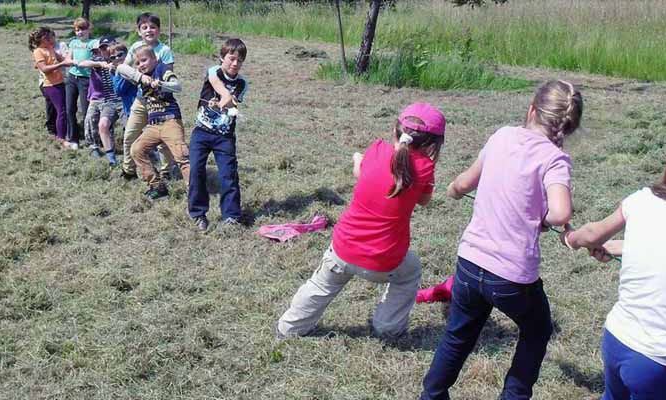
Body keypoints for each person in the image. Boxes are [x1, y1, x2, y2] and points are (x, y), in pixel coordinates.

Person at [420, 80, 583, 400]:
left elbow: (464, 182)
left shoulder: (502, 136)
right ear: (568, 127)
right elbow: (561, 212)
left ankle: (432, 394)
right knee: (538, 330)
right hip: (511, 277)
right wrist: (543, 216)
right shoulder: (554, 159)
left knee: (458, 334)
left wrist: (454, 189)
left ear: (532, 110)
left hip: (470, 263)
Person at [276, 102, 446, 339]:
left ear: (394, 129)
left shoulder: (376, 149)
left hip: (343, 247)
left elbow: (361, 173)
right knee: (411, 271)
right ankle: (387, 328)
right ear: (433, 143)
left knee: (321, 286)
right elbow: (424, 201)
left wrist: (358, 159)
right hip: (385, 259)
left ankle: (288, 328)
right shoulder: (425, 167)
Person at [561, 132, 666, 400]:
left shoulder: (644, 199)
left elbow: (592, 234)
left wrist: (571, 238)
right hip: (658, 359)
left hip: (616, 338)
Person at [187, 38, 249, 230]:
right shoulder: (214, 71)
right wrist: (225, 95)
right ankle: (198, 214)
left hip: (225, 137)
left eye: (239, 60)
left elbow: (233, 103)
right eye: (231, 58)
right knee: (196, 170)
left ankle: (231, 216)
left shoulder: (242, 83)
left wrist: (228, 102)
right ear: (222, 57)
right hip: (201, 132)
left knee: (228, 175)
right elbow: (216, 83)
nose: (235, 63)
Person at [128, 46, 190, 200]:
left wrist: (161, 84)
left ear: (155, 59)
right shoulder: (141, 77)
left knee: (181, 156)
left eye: (144, 60)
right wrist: (142, 77)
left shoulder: (162, 69)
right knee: (136, 150)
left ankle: (194, 190)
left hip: (170, 120)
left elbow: (178, 87)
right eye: (137, 63)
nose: (141, 65)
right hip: (153, 125)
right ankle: (157, 186)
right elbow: (122, 69)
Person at [120, 12, 175, 181]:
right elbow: (123, 68)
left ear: (159, 30)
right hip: (140, 99)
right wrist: (139, 77)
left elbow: (169, 75)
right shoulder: (135, 47)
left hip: (160, 103)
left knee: (162, 140)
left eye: (153, 27)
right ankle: (129, 170)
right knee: (130, 135)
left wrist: (157, 82)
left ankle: (166, 171)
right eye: (144, 27)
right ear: (139, 31)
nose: (149, 30)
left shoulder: (164, 50)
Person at [80, 38, 124, 167]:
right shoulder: (99, 60)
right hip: (101, 99)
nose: (105, 50)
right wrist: (100, 64)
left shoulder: (120, 60)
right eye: (102, 48)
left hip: (119, 99)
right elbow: (82, 63)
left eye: (107, 47)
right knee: (94, 122)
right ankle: (98, 150)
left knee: (116, 126)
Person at [29, 26, 73, 146]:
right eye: (47, 37)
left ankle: (62, 133)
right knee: (61, 111)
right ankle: (61, 138)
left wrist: (71, 58)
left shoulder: (50, 48)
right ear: (41, 39)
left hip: (59, 83)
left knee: (62, 110)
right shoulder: (38, 51)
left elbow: (64, 60)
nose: (50, 39)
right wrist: (61, 64)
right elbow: (44, 69)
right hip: (50, 85)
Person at [63, 17, 94, 150]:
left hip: (86, 79)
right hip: (72, 78)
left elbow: (97, 59)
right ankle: (73, 138)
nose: (80, 32)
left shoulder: (93, 43)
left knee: (86, 110)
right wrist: (74, 62)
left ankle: (90, 138)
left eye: (82, 29)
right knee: (70, 108)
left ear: (89, 29)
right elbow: (67, 59)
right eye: (77, 30)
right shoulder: (73, 43)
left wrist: (86, 64)